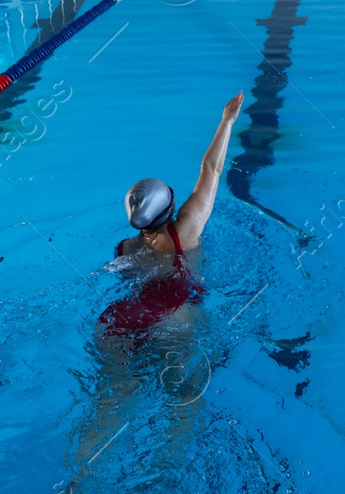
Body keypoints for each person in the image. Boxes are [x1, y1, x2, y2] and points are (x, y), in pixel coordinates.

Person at [97, 93, 243, 334]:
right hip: (174, 315)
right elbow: (212, 169)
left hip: (124, 315)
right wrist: (226, 122)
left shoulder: (124, 249)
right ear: (170, 208)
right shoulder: (184, 232)